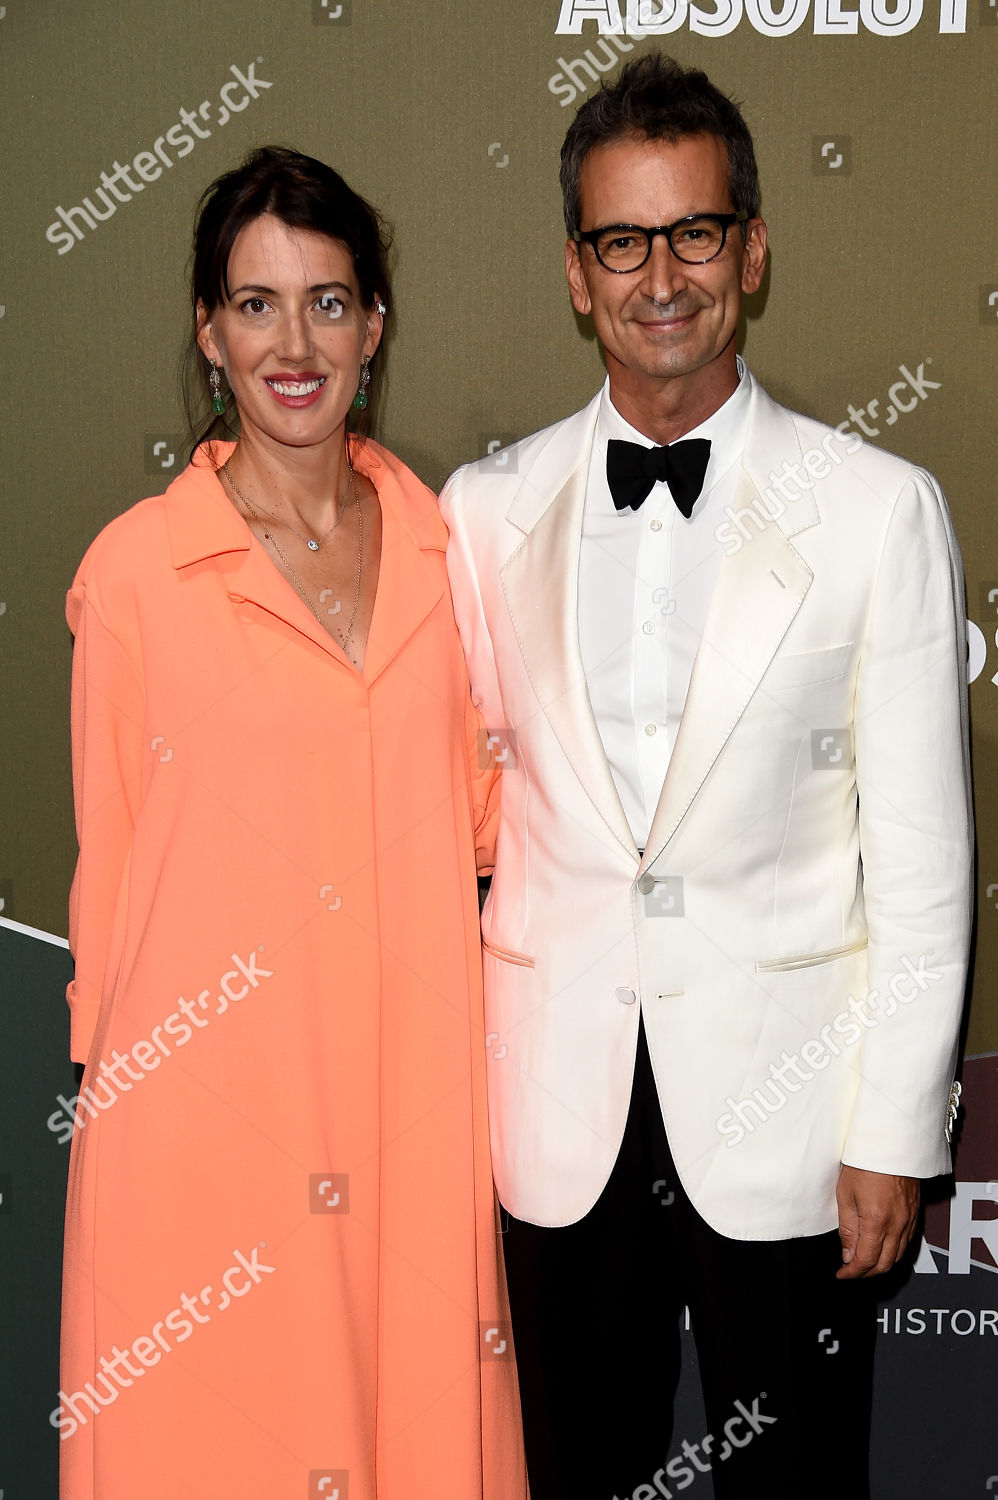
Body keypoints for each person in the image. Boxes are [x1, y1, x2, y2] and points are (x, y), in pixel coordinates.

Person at [440, 55, 972, 1500]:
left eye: (691, 232)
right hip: (555, 1120)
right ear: (573, 269)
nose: (657, 275)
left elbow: (919, 861)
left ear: (749, 247)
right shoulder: (482, 517)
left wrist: (892, 1134)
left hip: (790, 1122)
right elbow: (462, 818)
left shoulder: (875, 513)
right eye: (622, 239)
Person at [58, 145, 527, 1500]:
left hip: (411, 1115)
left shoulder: (451, 552)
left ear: (374, 328)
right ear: (208, 334)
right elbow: (114, 864)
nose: (293, 342)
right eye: (255, 305)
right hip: (207, 1127)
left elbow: (490, 821)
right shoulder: (135, 573)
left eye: (327, 301)